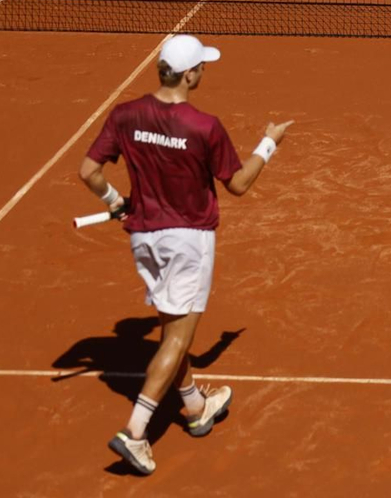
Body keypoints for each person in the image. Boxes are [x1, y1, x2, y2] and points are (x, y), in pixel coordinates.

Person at [80, 35, 293, 476]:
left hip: (144, 240)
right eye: (203, 66)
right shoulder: (204, 126)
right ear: (190, 74)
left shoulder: (125, 115)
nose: (204, 72)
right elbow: (237, 184)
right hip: (188, 241)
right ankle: (135, 434)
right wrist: (268, 144)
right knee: (177, 339)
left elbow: (89, 171)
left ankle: (197, 407)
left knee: (172, 329)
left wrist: (115, 200)